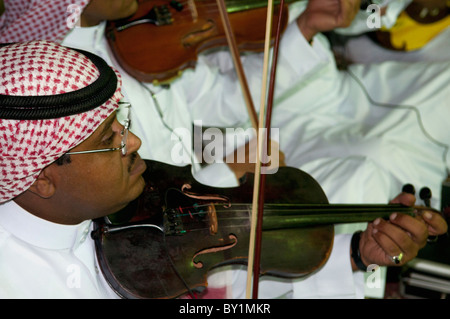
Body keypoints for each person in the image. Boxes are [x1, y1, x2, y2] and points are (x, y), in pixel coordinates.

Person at [2, 0, 449, 297]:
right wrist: (225, 169)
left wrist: (355, 256)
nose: (132, 140)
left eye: (125, 124)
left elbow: (231, 289)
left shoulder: (99, 199)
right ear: (41, 175)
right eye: (110, 138)